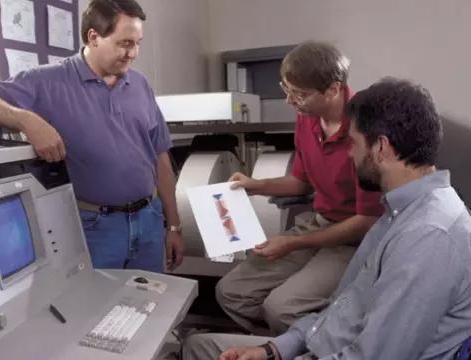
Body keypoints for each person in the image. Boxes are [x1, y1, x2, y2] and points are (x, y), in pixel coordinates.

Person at [183, 77, 471, 360]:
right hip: (320, 343)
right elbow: (341, 309)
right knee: (198, 345)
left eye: (354, 143)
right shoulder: (398, 212)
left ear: (381, 148)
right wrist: (274, 349)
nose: (349, 154)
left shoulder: (429, 235)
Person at [0, 0, 184, 272]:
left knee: (154, 309)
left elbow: (160, 157)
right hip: (94, 229)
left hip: (149, 220)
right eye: (125, 43)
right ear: (94, 37)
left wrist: (173, 225)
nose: (133, 53)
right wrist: (28, 120)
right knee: (97, 311)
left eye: (138, 43)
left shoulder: (141, 85)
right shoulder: (49, 80)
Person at [216, 41, 383, 335]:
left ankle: (313, 347)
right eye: (287, 89)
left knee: (282, 307)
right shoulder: (307, 118)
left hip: (354, 240)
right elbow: (301, 180)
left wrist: (292, 243)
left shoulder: (364, 130)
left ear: (333, 89)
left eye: (300, 94)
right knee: (231, 291)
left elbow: (366, 221)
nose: (291, 101)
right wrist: (255, 185)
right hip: (317, 225)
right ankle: (277, 347)